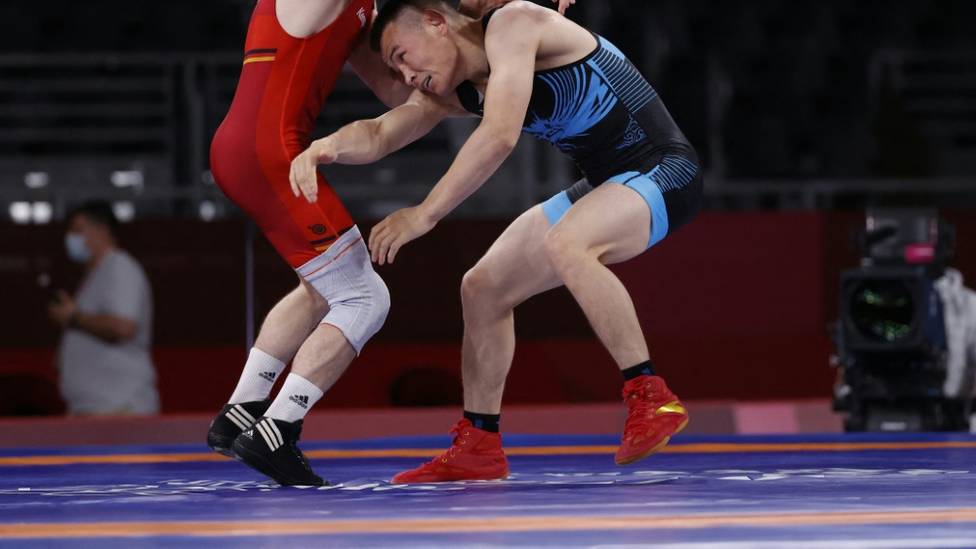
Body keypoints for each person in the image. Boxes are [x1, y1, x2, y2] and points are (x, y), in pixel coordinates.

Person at [290, 0, 702, 483]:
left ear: (436, 22)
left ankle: (650, 395)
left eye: (402, 55)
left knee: (568, 244)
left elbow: (500, 135)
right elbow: (383, 131)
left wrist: (424, 214)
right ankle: (479, 444)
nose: (406, 75)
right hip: (605, 183)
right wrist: (325, 147)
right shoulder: (461, 89)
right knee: (483, 287)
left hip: (662, 168)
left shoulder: (514, 22)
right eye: (396, 69)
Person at [207, 0, 575, 487]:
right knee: (364, 297)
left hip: (252, 150)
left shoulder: (365, 11)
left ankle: (242, 410)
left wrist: (500, 80)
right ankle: (276, 428)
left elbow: (399, 93)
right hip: (268, 154)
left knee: (321, 288)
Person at [49, 201, 159, 416]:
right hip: (94, 408)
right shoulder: (96, 275)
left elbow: (123, 327)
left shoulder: (119, 267)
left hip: (119, 407)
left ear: (101, 230)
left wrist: (73, 318)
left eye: (78, 230)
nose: (71, 237)